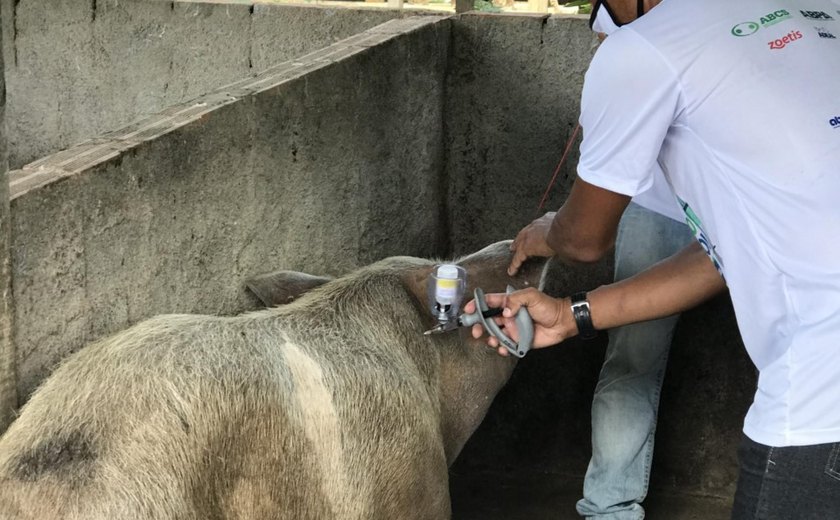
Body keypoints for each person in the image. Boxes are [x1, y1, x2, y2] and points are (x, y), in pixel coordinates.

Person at [469, 0, 840, 517]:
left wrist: (547, 232)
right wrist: (575, 315)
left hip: (824, 390)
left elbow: (584, 239)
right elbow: (722, 255)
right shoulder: (814, 10)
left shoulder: (639, 51)